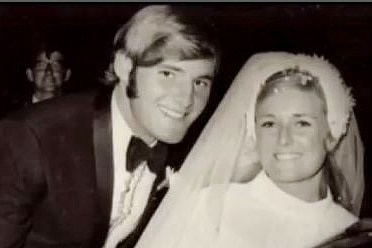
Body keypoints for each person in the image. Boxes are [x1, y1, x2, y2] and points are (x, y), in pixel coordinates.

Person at [0, 5, 220, 248]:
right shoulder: (33, 137)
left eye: (200, 82)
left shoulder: (195, 153)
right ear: (125, 67)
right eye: (168, 74)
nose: (186, 99)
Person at [135, 52, 365, 248]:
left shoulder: (348, 230)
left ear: (332, 134)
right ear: (254, 134)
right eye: (269, 123)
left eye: (302, 123)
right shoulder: (209, 209)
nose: (283, 139)